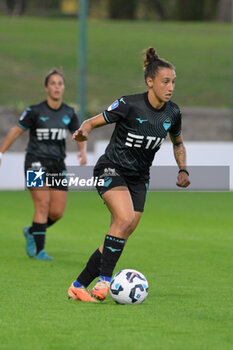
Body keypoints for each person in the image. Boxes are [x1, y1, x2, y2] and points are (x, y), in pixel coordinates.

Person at [68, 47, 190, 302]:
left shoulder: (172, 113)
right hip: (110, 168)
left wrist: (182, 169)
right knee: (123, 219)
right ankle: (105, 281)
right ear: (150, 81)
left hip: (139, 178)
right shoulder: (129, 104)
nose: (170, 87)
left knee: (122, 230)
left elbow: (177, 142)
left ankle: (78, 286)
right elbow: (94, 121)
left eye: (173, 82)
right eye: (165, 82)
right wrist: (84, 130)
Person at [0, 69, 87, 260]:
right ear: (46, 87)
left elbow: (79, 133)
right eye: (53, 83)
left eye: (60, 83)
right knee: (42, 204)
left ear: (63, 87)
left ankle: (32, 231)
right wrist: (1, 151)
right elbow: (16, 131)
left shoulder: (69, 112)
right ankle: (40, 251)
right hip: (35, 162)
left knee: (57, 212)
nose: (57, 87)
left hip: (57, 164)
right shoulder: (35, 111)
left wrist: (82, 151)